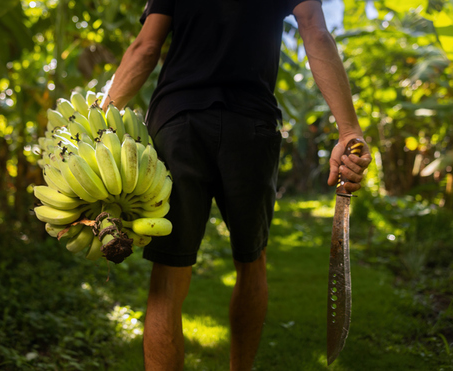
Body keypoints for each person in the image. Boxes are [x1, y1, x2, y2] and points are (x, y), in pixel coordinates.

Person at [101, 0, 372, 369]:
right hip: (251, 123)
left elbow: (146, 47)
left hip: (180, 121)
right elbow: (314, 29)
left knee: (168, 271)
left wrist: (100, 123)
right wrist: (349, 129)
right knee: (251, 261)